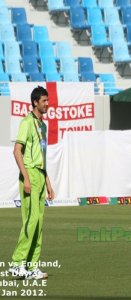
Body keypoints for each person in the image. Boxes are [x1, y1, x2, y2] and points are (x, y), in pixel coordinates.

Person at [8, 86, 55, 280]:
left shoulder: (43, 125)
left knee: (39, 223)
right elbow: (17, 151)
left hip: (40, 176)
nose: (47, 104)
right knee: (31, 220)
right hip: (29, 176)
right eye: (44, 101)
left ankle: (32, 266)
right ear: (35, 102)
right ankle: (17, 263)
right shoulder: (27, 122)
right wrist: (26, 177)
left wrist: (48, 183)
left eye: (47, 100)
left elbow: (41, 156)